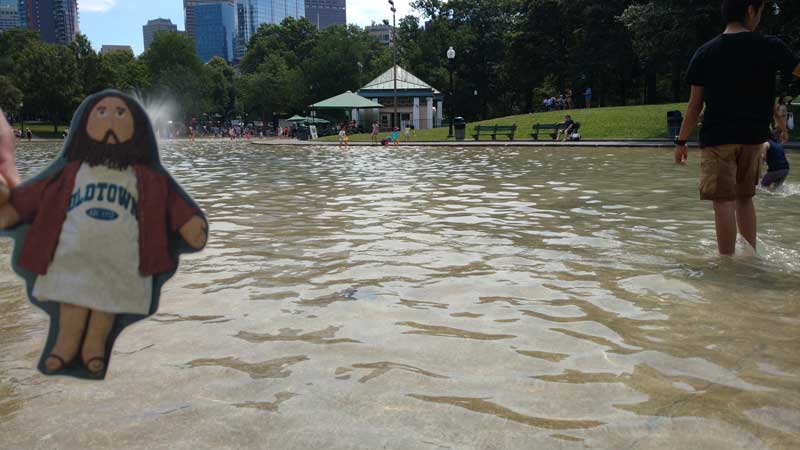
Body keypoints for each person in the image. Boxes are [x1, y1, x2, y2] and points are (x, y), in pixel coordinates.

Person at [674, 0, 800, 256]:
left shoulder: (705, 52)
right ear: (750, 10)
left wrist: (681, 141)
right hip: (754, 138)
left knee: (723, 202)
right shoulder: (770, 46)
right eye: (761, 12)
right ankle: (750, 255)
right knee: (745, 197)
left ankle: (727, 265)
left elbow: (694, 106)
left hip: (718, 137)